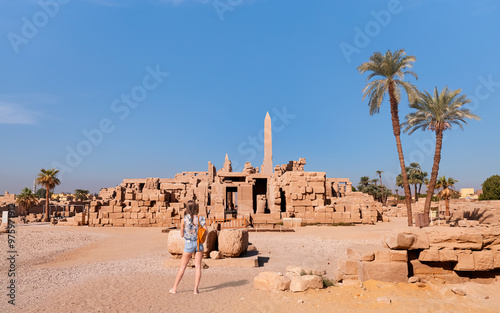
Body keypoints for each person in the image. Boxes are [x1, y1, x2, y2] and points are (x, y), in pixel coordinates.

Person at [170, 200, 206, 295]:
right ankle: (195, 289)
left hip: (189, 244)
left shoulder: (184, 219)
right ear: (196, 208)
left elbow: (181, 234)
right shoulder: (200, 219)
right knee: (198, 267)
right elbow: (206, 230)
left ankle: (174, 288)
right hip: (199, 244)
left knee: (182, 267)